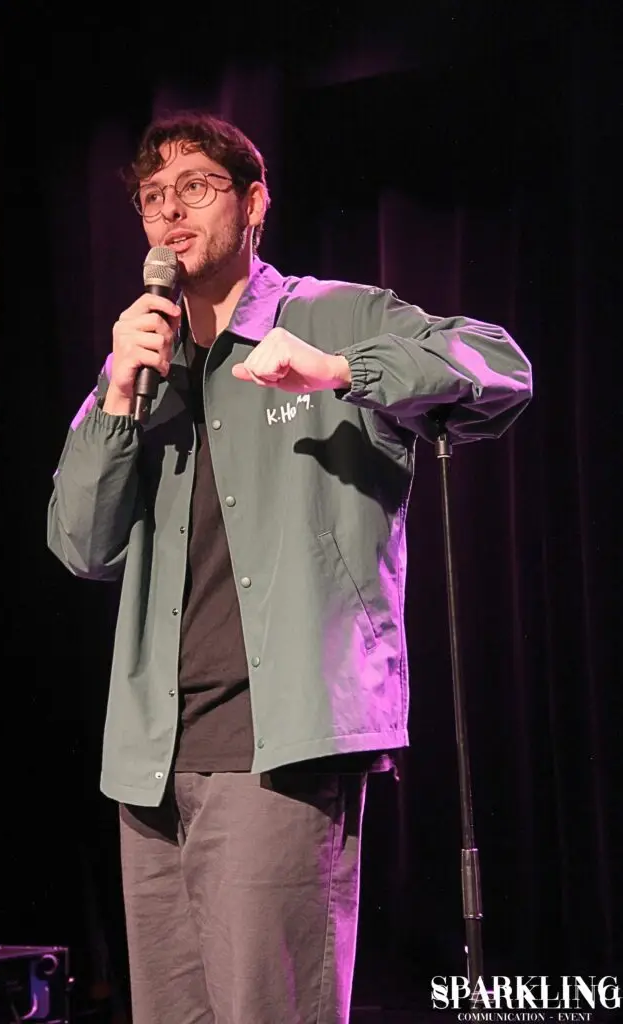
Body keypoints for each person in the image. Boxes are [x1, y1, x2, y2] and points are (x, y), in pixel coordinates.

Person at [47, 110, 532, 1024]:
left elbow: (500, 368)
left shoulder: (329, 314)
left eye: (195, 187)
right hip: (150, 764)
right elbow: (80, 545)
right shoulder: (139, 366)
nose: (169, 212)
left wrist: (341, 370)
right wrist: (115, 396)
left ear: (254, 202)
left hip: (280, 751)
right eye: (152, 198)